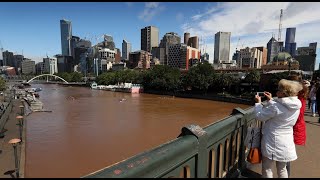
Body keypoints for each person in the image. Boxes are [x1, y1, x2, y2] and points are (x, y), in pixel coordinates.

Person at [254, 79, 302, 178]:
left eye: (279, 90)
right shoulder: (296, 105)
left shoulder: (276, 107)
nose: (277, 91)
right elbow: (281, 109)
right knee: (282, 168)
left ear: (284, 93)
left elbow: (260, 116)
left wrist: (258, 104)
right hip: (286, 140)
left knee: (267, 168)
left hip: (272, 140)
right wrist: (271, 100)